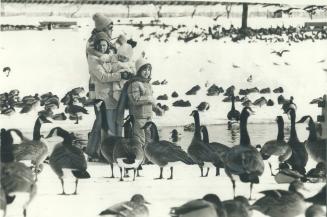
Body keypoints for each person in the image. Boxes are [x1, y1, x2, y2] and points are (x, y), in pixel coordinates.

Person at [85, 32, 133, 160]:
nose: (102, 47)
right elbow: (102, 76)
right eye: (100, 45)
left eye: (104, 44)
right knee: (105, 124)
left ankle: (102, 151)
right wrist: (120, 75)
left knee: (110, 124)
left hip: (114, 95)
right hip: (102, 96)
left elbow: (122, 57)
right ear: (96, 45)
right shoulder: (93, 58)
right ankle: (107, 152)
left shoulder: (110, 56)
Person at [127, 57, 163, 147]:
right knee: (139, 138)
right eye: (144, 70)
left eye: (148, 70)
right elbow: (135, 100)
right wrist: (148, 98)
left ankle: (147, 157)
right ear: (139, 70)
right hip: (139, 116)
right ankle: (140, 157)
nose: (147, 72)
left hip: (148, 116)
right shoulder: (134, 83)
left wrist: (156, 108)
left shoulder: (148, 84)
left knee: (149, 137)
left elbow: (151, 100)